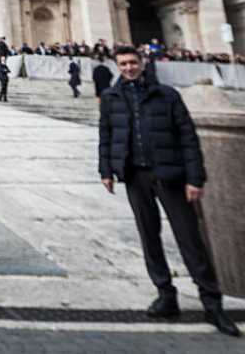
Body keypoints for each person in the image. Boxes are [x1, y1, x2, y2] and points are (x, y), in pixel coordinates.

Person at [98, 46, 239, 337]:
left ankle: (212, 304)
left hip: (169, 175)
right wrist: (106, 171)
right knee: (149, 238)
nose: (128, 68)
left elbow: (188, 137)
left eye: (132, 63)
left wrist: (195, 179)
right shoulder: (112, 98)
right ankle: (165, 294)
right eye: (123, 64)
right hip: (135, 176)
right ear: (117, 66)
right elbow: (107, 135)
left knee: (190, 240)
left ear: (142, 63)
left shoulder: (168, 95)